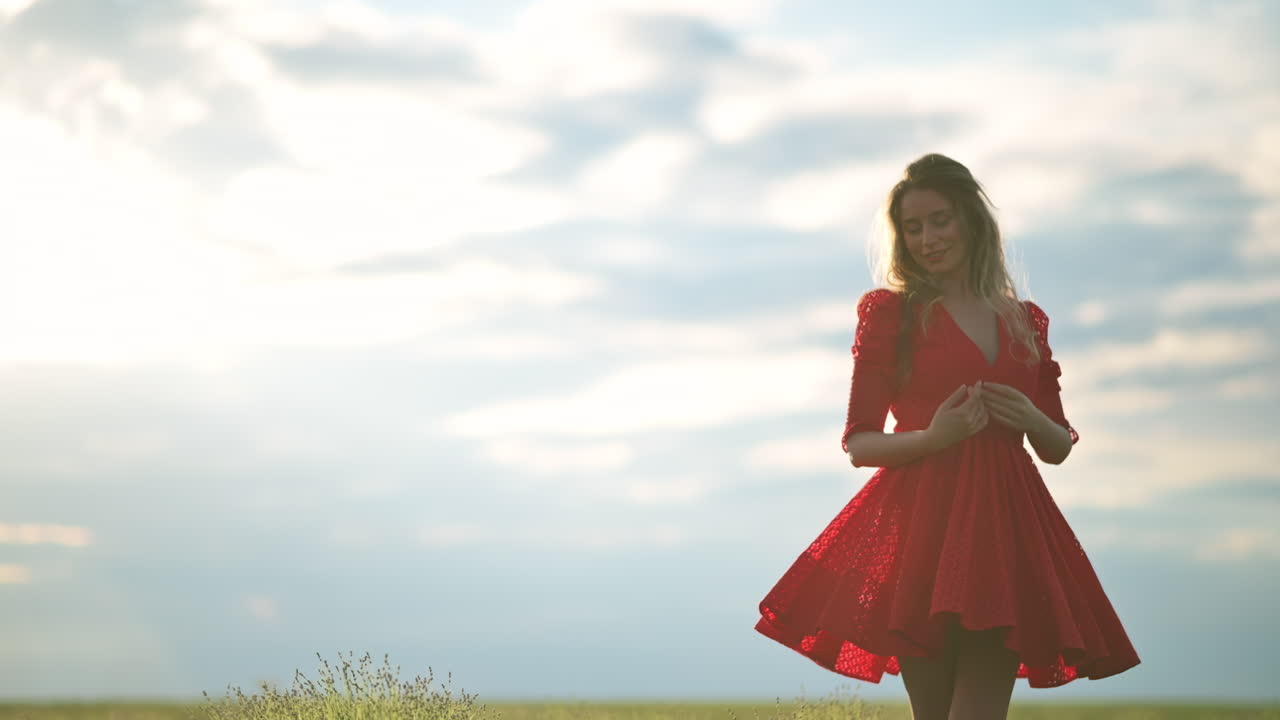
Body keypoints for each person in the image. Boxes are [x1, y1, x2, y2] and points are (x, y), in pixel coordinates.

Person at [753, 153, 1140, 719]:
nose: (927, 238)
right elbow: (860, 444)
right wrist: (937, 436)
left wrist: (1031, 418)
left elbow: (1056, 447)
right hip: (921, 534)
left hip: (1006, 535)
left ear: (970, 220)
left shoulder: (1025, 320)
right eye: (913, 228)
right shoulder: (893, 314)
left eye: (940, 220)